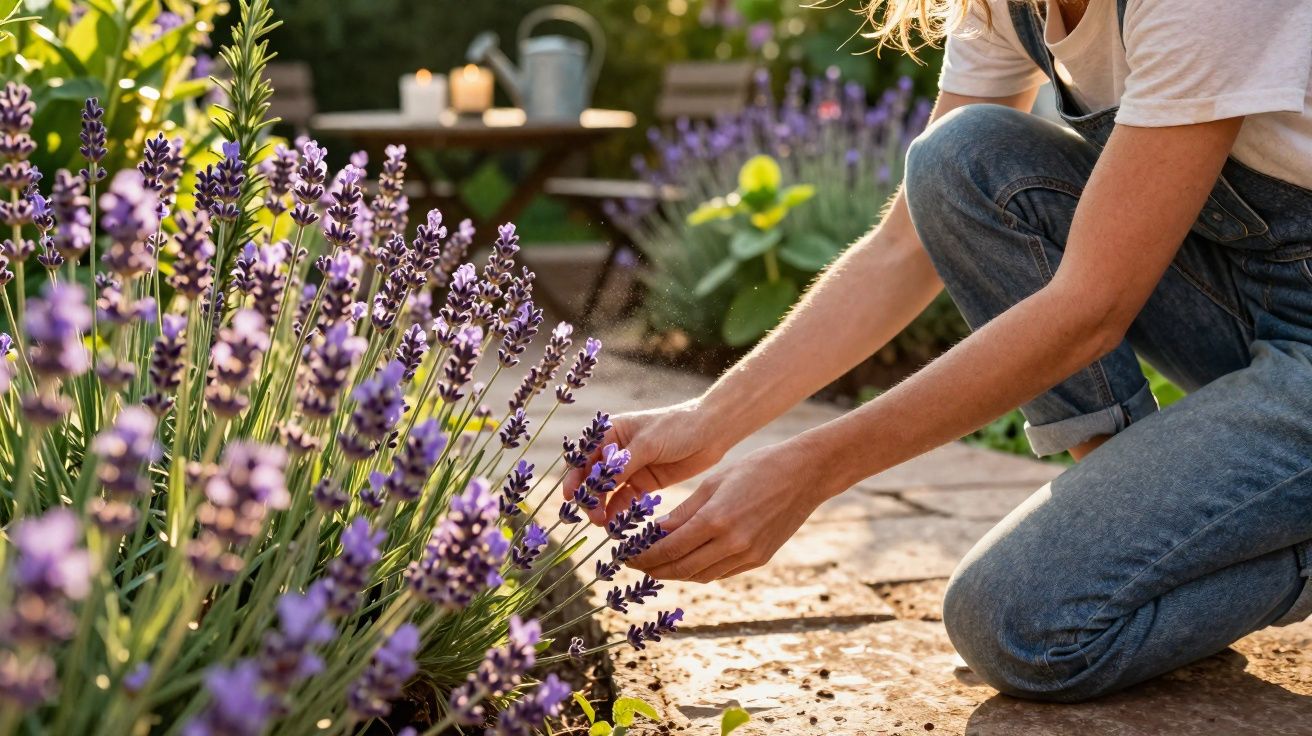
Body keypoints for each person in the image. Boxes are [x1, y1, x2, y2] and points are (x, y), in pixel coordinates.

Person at [565, 0, 1312, 703]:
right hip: (1247, 295)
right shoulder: (1001, 4)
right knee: (959, 158)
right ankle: (1161, 548)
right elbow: (900, 248)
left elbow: (1090, 309)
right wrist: (711, 418)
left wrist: (809, 469)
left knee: (1020, 623)